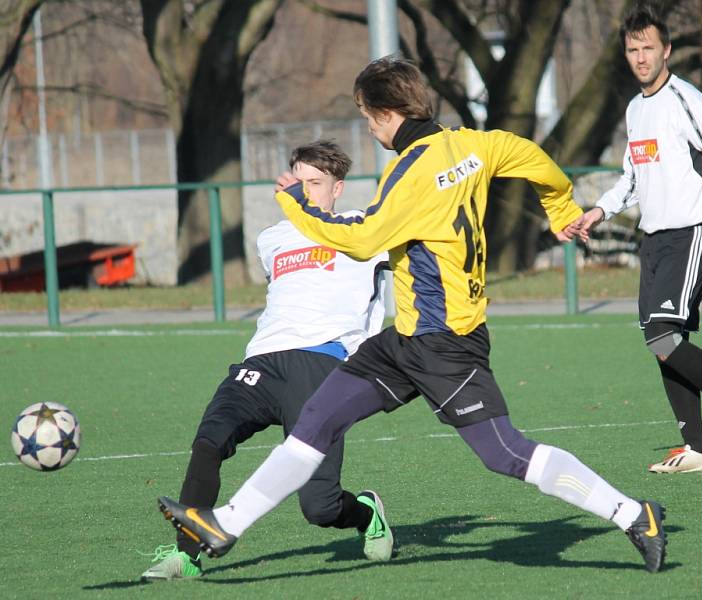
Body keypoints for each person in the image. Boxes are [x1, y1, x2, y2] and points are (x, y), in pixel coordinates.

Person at [157, 56, 668, 574]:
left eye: (367, 115)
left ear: (386, 113)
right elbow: (534, 158)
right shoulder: (471, 143)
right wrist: (561, 210)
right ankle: (225, 524)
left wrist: (296, 204)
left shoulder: (410, 172)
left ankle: (633, 513)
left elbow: (362, 239)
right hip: (405, 340)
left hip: (445, 343)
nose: (369, 126)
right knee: (315, 419)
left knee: (505, 453)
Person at [141, 140, 392, 581]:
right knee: (208, 442)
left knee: (320, 507)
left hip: (323, 368)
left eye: (317, 183)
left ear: (337, 189)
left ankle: (365, 512)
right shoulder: (271, 238)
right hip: (261, 361)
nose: (307, 191)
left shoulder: (366, 228)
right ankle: (187, 554)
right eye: (299, 182)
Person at [579, 3, 702, 473]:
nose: (640, 57)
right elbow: (632, 177)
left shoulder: (688, 100)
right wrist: (600, 209)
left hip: (691, 233)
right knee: (661, 340)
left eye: (649, 48)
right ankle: (697, 449)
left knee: (662, 333)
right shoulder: (635, 109)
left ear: (667, 51)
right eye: (633, 49)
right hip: (653, 239)